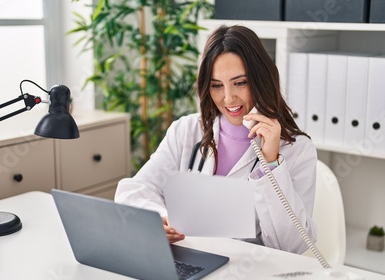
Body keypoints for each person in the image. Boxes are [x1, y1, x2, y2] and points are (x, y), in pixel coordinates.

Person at [115, 25, 317, 254]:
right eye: (216, 85)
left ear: (261, 79)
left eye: (240, 82)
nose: (229, 97)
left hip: (248, 272)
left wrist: (271, 163)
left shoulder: (298, 150)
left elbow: (291, 247)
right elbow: (134, 191)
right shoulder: (186, 130)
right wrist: (159, 218)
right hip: (188, 256)